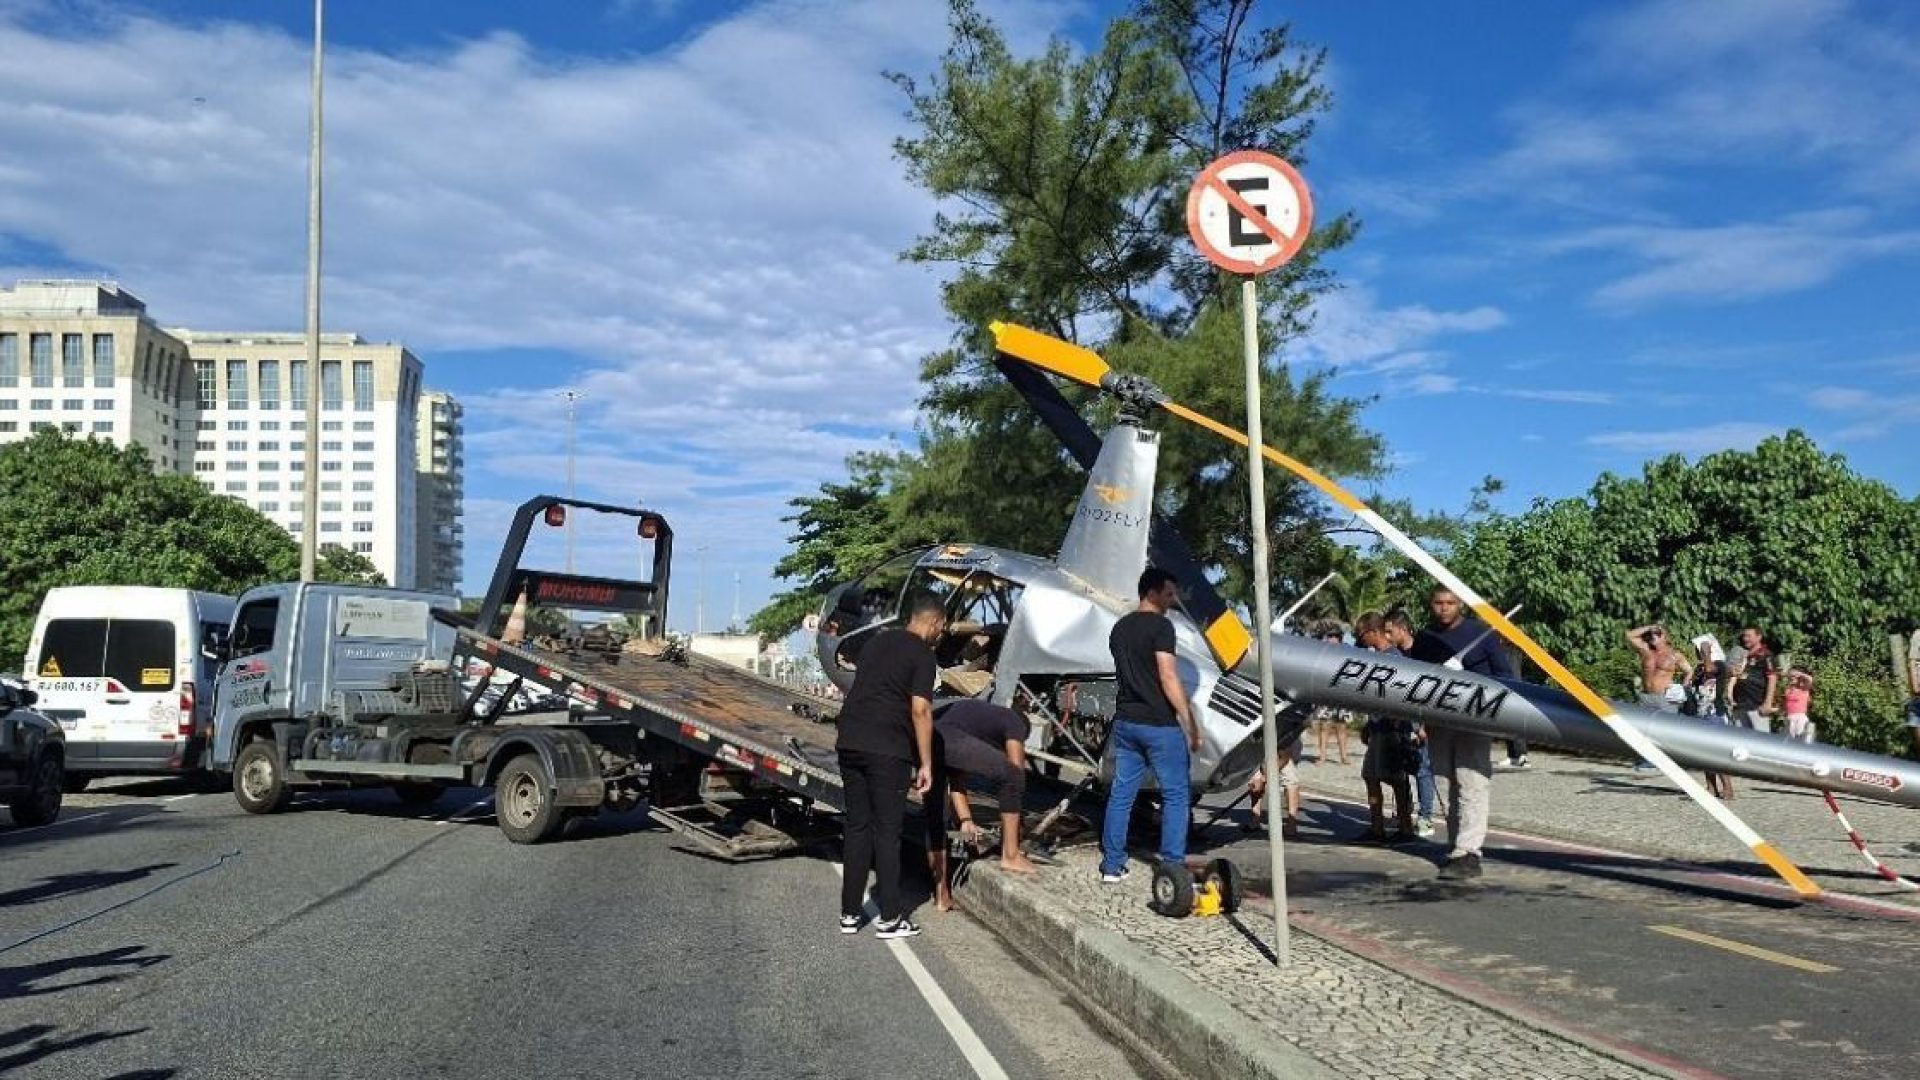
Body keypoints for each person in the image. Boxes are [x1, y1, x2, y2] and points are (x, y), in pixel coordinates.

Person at [835, 591, 945, 939]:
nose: (940, 634)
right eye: (941, 628)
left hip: (850, 739)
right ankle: (891, 918)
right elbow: (920, 710)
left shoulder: (876, 643)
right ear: (933, 622)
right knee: (887, 832)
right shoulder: (923, 655)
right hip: (887, 748)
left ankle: (849, 914)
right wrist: (926, 764)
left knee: (857, 827)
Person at [1099, 568, 1201, 885]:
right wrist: (1189, 721)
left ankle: (1112, 866)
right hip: (1159, 724)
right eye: (1168, 594)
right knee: (1175, 795)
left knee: (1121, 794)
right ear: (1152, 593)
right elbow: (1168, 676)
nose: (1172, 600)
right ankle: (1172, 867)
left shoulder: (1119, 628)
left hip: (1126, 722)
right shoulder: (1161, 627)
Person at [1409, 587, 1517, 880]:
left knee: (1471, 783)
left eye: (1450, 603)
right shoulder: (1425, 638)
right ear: (1431, 605)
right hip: (1439, 721)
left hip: (1474, 721)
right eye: (1438, 603)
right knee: (1446, 783)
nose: (1444, 608)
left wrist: (1470, 682)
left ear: (1460, 606)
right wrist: (1420, 721)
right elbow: (1416, 678)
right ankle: (1456, 845)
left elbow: (1505, 677)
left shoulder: (1481, 633)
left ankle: (1469, 852)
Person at [926, 699, 1038, 912]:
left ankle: (942, 896)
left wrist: (966, 820)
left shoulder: (979, 719)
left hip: (927, 735)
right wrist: (1015, 820)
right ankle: (1011, 855)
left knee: (935, 816)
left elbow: (956, 780)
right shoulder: (1015, 721)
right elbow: (1016, 772)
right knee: (1012, 777)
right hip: (947, 736)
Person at [1352, 611, 1416, 843]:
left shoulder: (1394, 658)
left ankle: (1405, 827)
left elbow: (1402, 692)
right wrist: (1368, 724)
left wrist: (1399, 721)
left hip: (1393, 727)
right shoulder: (1376, 657)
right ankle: (1377, 827)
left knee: (1397, 779)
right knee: (1371, 775)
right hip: (1378, 725)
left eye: (1361, 635)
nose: (1360, 640)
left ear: (1373, 632)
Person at [1626, 623, 1691, 771]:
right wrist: (1650, 627)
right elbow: (1629, 635)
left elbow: (1689, 671)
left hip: (1664, 698)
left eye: (1657, 633)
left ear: (1665, 637)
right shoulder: (1645, 650)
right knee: (1643, 729)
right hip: (1646, 696)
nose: (1653, 636)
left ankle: (1661, 761)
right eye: (1651, 634)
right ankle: (1647, 759)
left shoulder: (1675, 655)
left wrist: (1682, 686)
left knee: (1664, 730)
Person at [1687, 634, 1735, 800]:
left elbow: (1710, 670)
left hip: (1715, 713)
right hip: (1701, 714)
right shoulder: (1699, 668)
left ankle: (1728, 788)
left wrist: (1707, 651)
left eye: (1699, 649)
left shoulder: (1720, 665)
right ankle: (1711, 787)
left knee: (1716, 752)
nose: (1697, 652)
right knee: (1704, 753)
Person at [1309, 625, 1352, 765]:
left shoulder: (1346, 652)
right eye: (1330, 636)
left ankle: (1344, 756)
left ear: (1340, 639)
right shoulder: (1322, 653)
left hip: (1342, 693)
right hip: (1326, 693)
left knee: (1342, 726)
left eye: (1335, 636)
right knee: (1324, 726)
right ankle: (1322, 756)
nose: (1332, 639)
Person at [1728, 627, 1780, 734]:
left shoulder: (1766, 655)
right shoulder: (1744, 655)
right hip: (1740, 705)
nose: (1745, 639)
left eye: (1749, 636)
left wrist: (1767, 703)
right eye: (1744, 636)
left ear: (1759, 637)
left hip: (1757, 707)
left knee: (1760, 740)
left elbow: (1772, 677)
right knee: (1739, 739)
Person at [1783, 668, 1816, 743]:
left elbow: (1810, 679)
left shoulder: (1804, 689)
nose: (1792, 678)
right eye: (1791, 676)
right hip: (1790, 717)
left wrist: (1800, 673)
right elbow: (1785, 706)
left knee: (1800, 740)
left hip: (1800, 717)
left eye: (1794, 676)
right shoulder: (1788, 690)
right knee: (1788, 741)